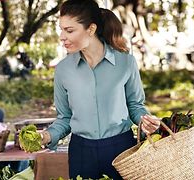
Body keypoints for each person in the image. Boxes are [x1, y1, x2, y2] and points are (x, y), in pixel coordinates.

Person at [39, 0, 161, 179]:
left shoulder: (125, 62)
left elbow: (135, 105)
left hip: (121, 150)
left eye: (69, 30)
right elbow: (64, 118)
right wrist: (46, 136)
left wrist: (146, 122)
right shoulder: (63, 70)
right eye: (61, 29)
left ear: (91, 29)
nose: (62, 37)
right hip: (81, 153)